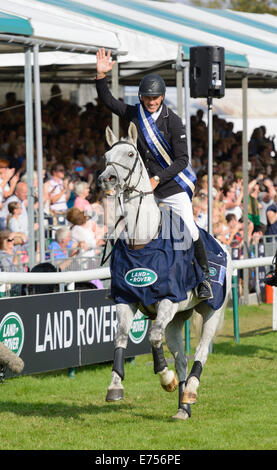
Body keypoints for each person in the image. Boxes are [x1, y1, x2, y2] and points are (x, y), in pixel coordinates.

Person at [95, 48, 213, 299]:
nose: (151, 102)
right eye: (147, 98)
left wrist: (158, 178)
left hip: (170, 187)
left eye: (155, 98)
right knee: (123, 229)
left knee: (190, 231)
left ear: (162, 97)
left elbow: (183, 160)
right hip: (141, 189)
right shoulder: (134, 113)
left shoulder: (174, 122)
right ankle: (119, 281)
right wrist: (100, 77)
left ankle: (204, 278)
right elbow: (108, 102)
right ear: (141, 97)